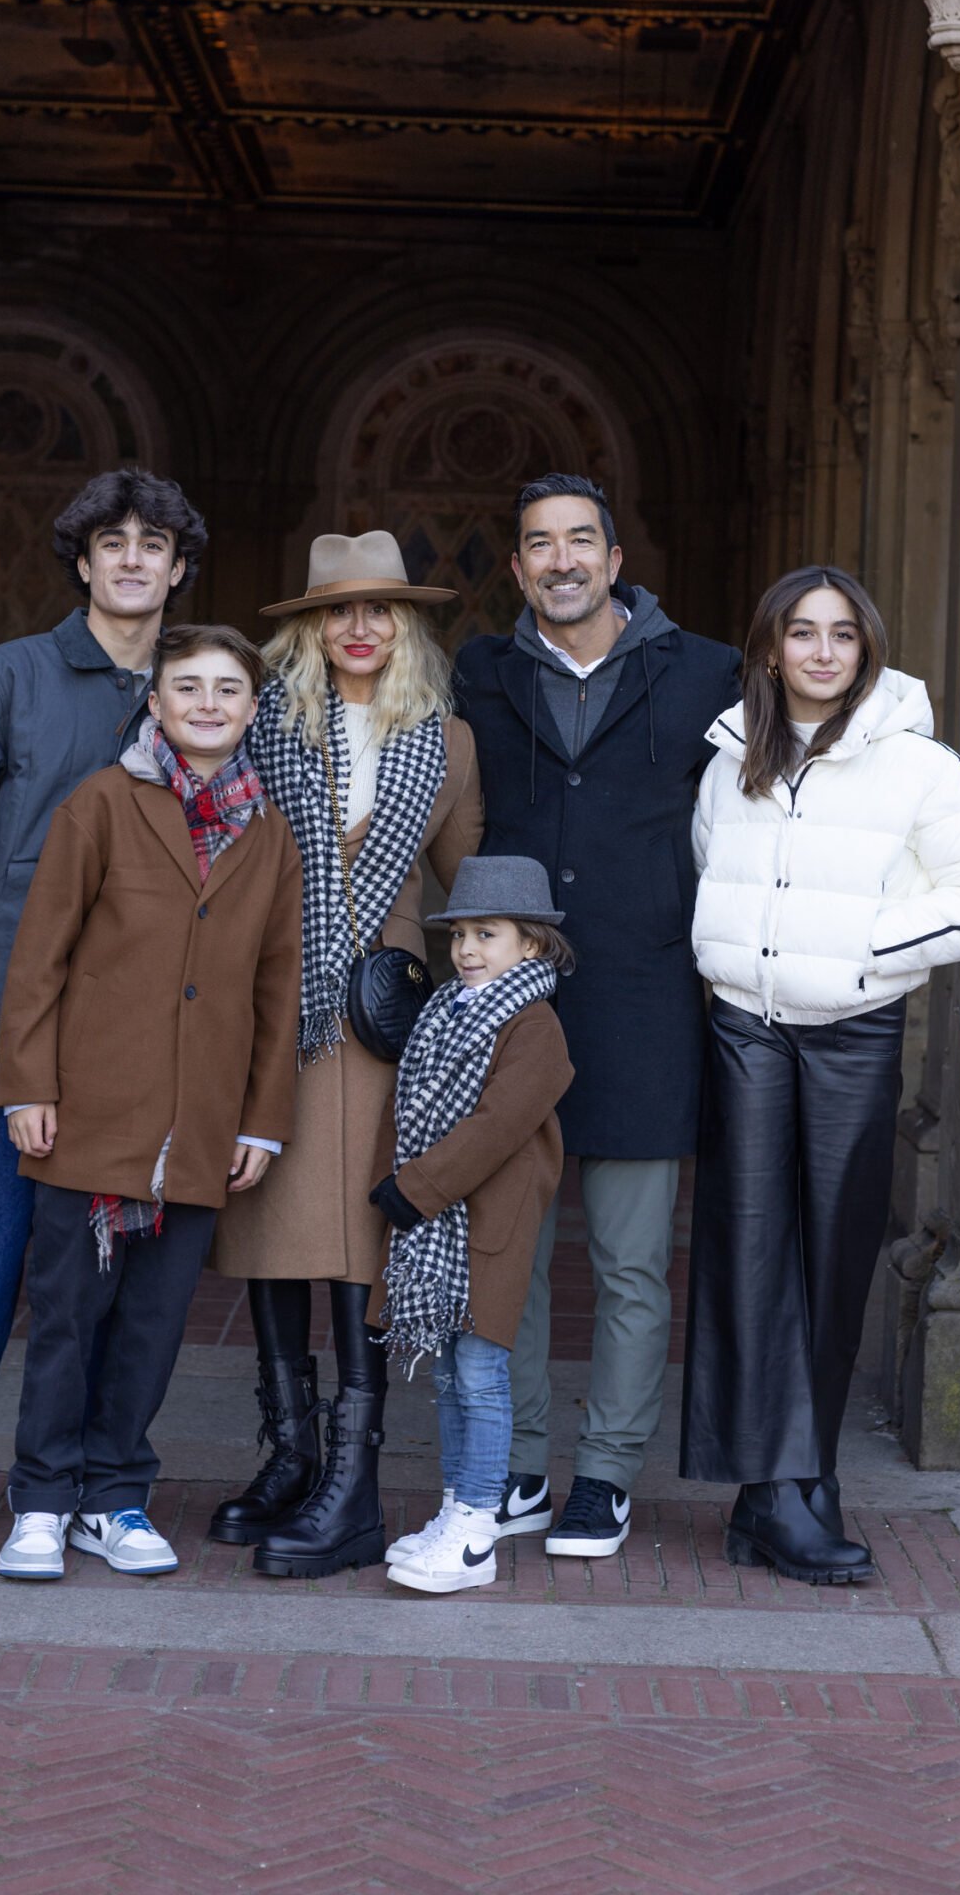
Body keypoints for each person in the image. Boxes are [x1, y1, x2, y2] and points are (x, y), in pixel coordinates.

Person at [0, 466, 207, 1560]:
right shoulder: (10, 678)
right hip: (6, 1020)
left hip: (135, 1036)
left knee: (104, 1277)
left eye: (151, 544)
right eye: (110, 542)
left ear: (176, 566)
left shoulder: (202, 687)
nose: (130, 558)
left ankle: (84, 1485)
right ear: (81, 561)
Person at [684, 566, 960, 1582]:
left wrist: (861, 949)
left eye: (841, 634)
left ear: (867, 648)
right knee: (746, 1258)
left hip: (848, 1035)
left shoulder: (919, 764)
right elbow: (712, 867)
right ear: (769, 648)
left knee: (829, 1261)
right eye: (801, 632)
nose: (822, 651)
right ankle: (770, 1492)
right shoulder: (730, 755)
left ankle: (802, 1479)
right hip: (744, 1030)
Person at [451, 475, 740, 1560]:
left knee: (629, 1263)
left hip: (644, 999)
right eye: (538, 544)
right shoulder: (481, 671)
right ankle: (520, 1459)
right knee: (509, 1251)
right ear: (518, 567)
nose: (560, 559)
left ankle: (606, 1473)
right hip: (511, 1004)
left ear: (616, 559)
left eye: (581, 540)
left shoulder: (708, 671)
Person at [0, 623, 301, 1579]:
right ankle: (41, 1497)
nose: (208, 704)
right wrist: (27, 1087)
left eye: (228, 690)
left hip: (201, 1126)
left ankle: (116, 1494)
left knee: (153, 1327)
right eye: (188, 688)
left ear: (253, 709)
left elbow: (278, 983)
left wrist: (260, 1118)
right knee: (69, 1316)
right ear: (156, 703)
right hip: (92, 1113)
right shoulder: (103, 804)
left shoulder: (269, 829)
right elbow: (38, 958)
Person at [207, 531, 483, 1578]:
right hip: (275, 1009)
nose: (358, 628)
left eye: (379, 611)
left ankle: (354, 1489)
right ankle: (291, 1455)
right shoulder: (261, 726)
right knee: (272, 1225)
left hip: (379, 1025)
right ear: (310, 629)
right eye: (337, 611)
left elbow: (469, 887)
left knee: (359, 1244)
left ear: (404, 626)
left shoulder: (446, 741)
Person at [368, 856, 573, 1595]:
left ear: (533, 945)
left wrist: (414, 1189)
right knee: (452, 1376)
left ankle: (479, 1527)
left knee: (483, 1376)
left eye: (487, 933)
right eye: (459, 934)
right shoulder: (447, 1009)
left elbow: (498, 1125)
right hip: (443, 1224)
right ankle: (457, 1506)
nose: (466, 950)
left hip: (486, 1223)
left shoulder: (533, 1024)